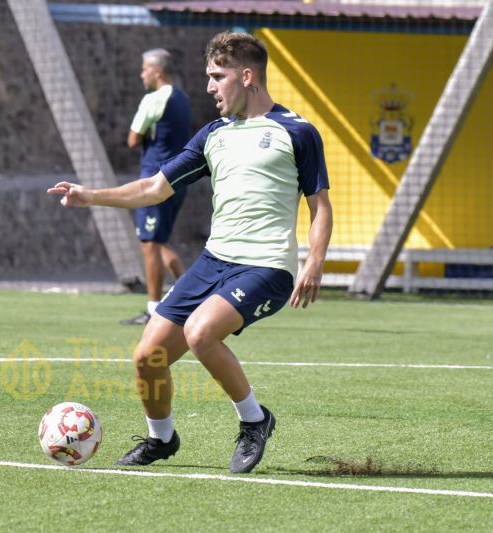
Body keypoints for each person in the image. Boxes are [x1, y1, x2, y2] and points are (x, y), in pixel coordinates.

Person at [47, 31, 332, 474]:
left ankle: (255, 421)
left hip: (266, 266)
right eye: (208, 77)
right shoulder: (213, 135)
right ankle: (162, 440)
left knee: (201, 334)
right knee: (147, 357)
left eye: (218, 77)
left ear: (248, 75)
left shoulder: (296, 131)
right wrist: (91, 196)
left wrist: (314, 263)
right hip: (213, 262)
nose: (209, 87)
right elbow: (153, 188)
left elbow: (320, 207)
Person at [121, 48, 192, 326]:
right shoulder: (183, 98)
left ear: (157, 71)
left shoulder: (153, 100)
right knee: (158, 240)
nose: (142, 74)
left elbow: (132, 139)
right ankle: (192, 294)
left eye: (144, 69)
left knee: (149, 243)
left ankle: (153, 308)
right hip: (179, 179)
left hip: (154, 180)